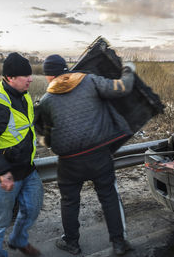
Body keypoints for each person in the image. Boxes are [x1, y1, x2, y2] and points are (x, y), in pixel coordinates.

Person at [35, 54, 135, 256]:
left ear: (49, 76)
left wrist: (45, 140)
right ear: (66, 70)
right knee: (108, 197)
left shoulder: (46, 100)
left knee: (69, 201)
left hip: (69, 162)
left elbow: (46, 135)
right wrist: (129, 70)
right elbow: (122, 88)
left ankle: (72, 243)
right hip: (98, 155)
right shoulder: (89, 80)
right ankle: (118, 243)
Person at [0, 52, 43, 257]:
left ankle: (18, 240)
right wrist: (3, 172)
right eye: (26, 76)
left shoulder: (24, 94)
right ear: (10, 78)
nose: (31, 79)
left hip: (27, 169)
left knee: (33, 208)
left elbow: (25, 124)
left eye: (30, 75)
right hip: (2, 176)